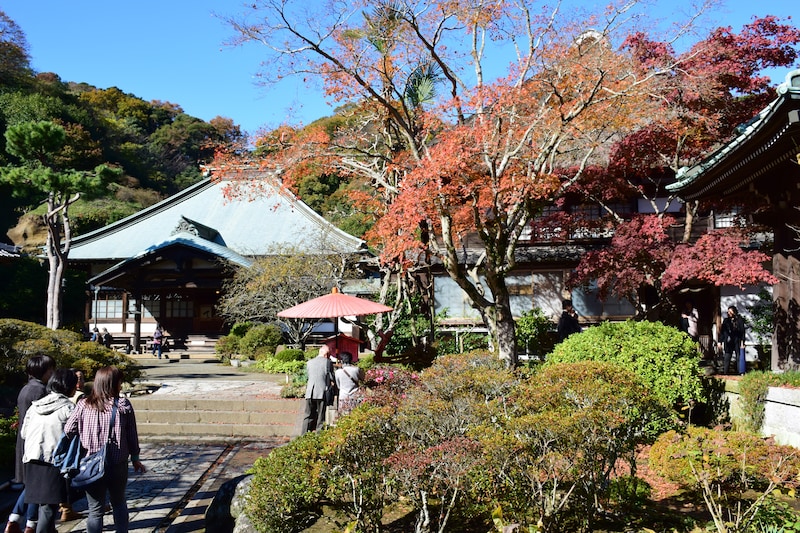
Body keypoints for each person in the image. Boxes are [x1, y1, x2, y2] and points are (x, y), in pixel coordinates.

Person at [64, 367, 146, 533]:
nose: (121, 386)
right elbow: (132, 434)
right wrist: (135, 458)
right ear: (113, 384)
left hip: (90, 463)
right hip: (117, 463)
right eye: (120, 382)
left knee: (95, 510)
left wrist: (84, 436)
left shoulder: (83, 405)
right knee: (119, 503)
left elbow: (68, 430)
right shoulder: (123, 405)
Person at [21, 369, 78, 533]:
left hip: (32, 458)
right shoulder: (68, 408)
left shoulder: (35, 406)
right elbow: (75, 435)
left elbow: (24, 433)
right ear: (69, 386)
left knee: (42, 504)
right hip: (53, 460)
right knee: (48, 507)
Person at [5, 355, 55, 533]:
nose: (52, 373)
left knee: (33, 485)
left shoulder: (27, 388)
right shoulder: (40, 391)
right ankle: (28, 524)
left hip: (25, 441)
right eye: (50, 370)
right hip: (35, 443)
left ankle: (16, 520)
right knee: (37, 486)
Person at [301, 345, 335, 434]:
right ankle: (319, 435)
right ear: (326, 354)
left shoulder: (309, 362)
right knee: (321, 416)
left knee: (307, 415)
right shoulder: (328, 363)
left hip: (310, 392)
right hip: (321, 391)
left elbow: (308, 376)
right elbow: (331, 377)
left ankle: (303, 435)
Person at [334, 352, 364, 417]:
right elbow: (363, 378)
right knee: (355, 414)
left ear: (342, 361)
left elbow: (338, 385)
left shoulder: (338, 372)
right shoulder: (356, 370)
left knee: (343, 415)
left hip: (343, 395)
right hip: (355, 394)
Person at [719, 305, 746, 375]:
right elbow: (722, 332)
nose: (729, 313)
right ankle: (725, 372)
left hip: (737, 340)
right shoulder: (726, 321)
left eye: (730, 311)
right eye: (728, 311)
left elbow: (742, 331)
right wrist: (720, 341)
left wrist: (743, 342)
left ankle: (740, 372)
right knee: (727, 357)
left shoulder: (739, 320)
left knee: (738, 356)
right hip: (728, 341)